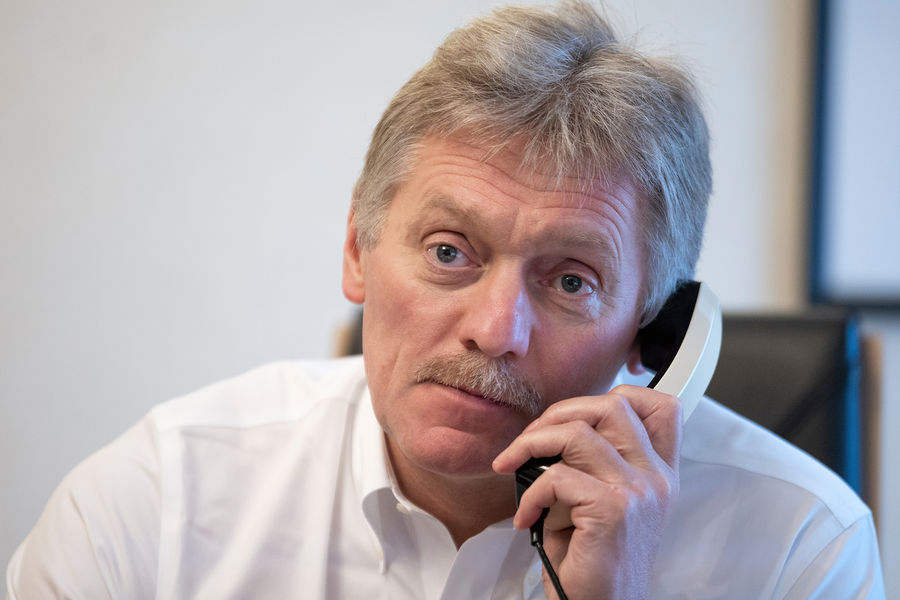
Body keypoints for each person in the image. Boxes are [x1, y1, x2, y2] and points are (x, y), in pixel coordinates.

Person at [5, 2, 885, 598]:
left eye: (571, 281)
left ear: (652, 333)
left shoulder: (800, 549)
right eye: (449, 252)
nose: (494, 330)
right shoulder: (154, 509)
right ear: (358, 248)